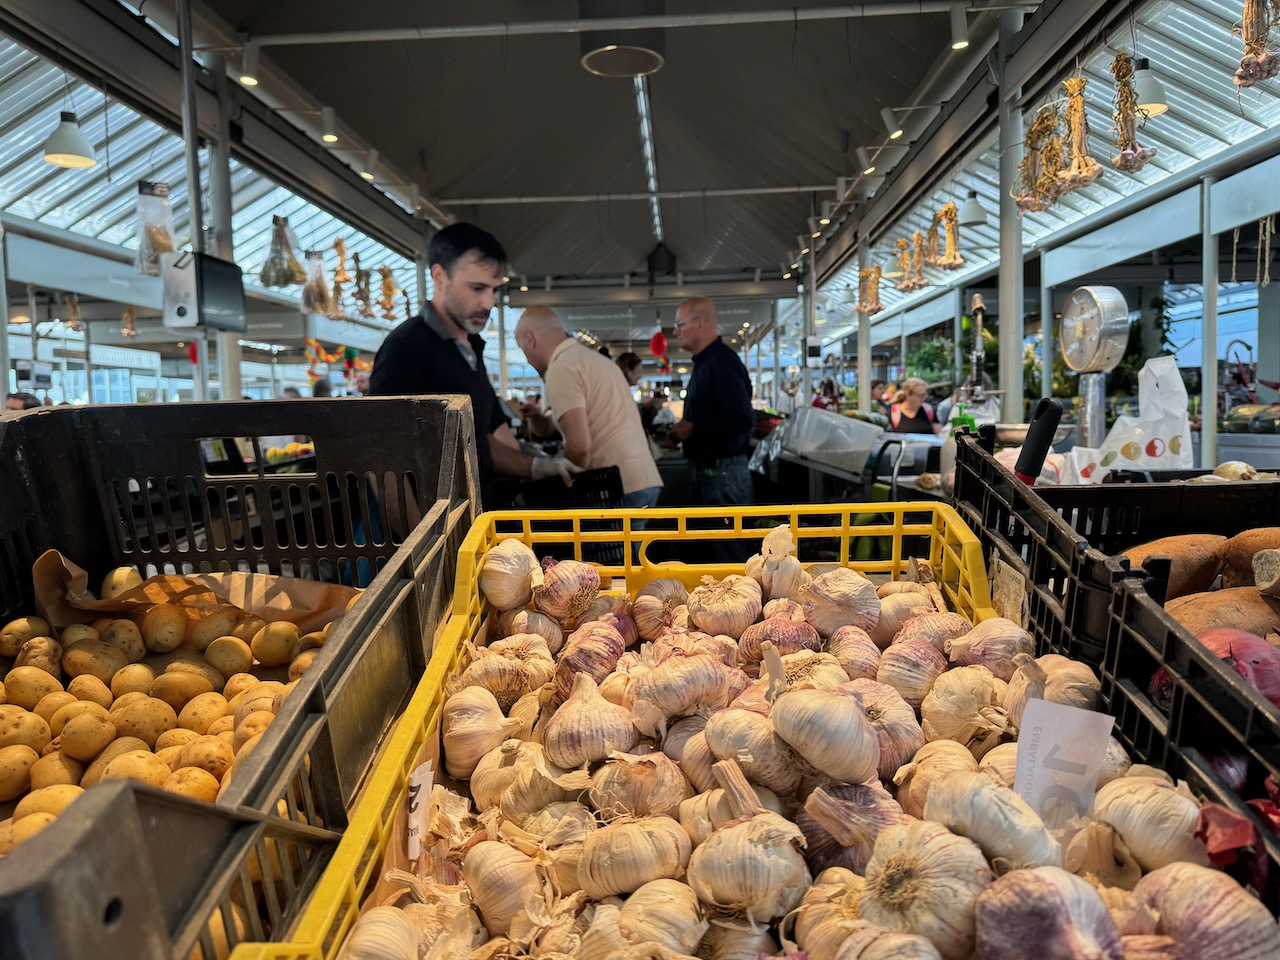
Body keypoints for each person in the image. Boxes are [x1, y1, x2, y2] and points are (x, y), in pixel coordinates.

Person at [369, 222, 579, 507]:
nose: (488, 302)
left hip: (478, 519)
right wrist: (424, 541)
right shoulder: (406, 347)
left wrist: (536, 466)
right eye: (477, 288)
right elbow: (382, 461)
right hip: (439, 527)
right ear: (440, 277)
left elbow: (481, 439)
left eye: (493, 289)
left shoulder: (471, 348)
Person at [515, 306, 662, 510]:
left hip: (616, 489)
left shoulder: (561, 368)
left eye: (523, 350)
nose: (527, 360)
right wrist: (535, 417)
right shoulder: (595, 361)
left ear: (530, 340)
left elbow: (580, 446)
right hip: (644, 480)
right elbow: (555, 427)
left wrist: (560, 482)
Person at [670, 297, 754, 506]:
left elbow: (741, 419)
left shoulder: (721, 362)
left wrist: (693, 428)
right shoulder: (707, 362)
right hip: (714, 471)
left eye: (680, 325)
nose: (674, 332)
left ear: (699, 323)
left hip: (722, 474)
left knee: (724, 539)